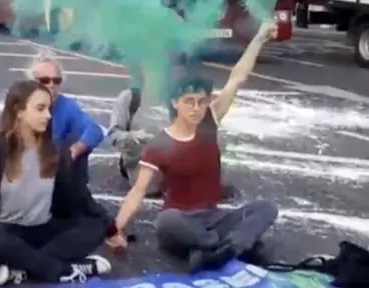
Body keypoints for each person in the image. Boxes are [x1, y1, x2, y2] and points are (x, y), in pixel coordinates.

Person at [106, 22, 281, 272]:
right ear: (176, 103)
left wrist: (260, 39)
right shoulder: (160, 145)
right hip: (181, 222)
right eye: (189, 101)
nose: (196, 108)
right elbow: (138, 191)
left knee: (266, 208)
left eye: (201, 102)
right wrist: (116, 230)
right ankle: (233, 246)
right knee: (166, 221)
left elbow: (237, 77)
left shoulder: (210, 122)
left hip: (214, 218)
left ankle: (218, 250)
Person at [0, 80, 114, 286]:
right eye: (40, 109)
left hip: (43, 229)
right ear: (19, 111)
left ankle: (20, 266)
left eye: (49, 109)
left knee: (94, 225)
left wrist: (111, 228)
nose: (47, 115)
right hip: (6, 232)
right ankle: (64, 270)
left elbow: (80, 196)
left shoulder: (56, 151)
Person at [108, 65, 239, 201]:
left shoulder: (174, 98)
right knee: (150, 188)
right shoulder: (130, 98)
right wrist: (132, 137)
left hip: (169, 156)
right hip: (138, 160)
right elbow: (114, 134)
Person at [26, 52, 104, 181]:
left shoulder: (67, 106)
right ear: (32, 82)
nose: (51, 85)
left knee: (78, 145)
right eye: (45, 81)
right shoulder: (21, 104)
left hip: (54, 171)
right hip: (25, 168)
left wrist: (76, 149)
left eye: (56, 81)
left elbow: (94, 130)